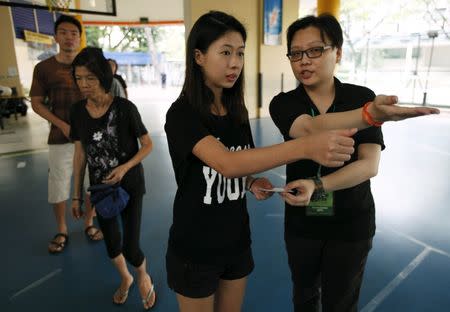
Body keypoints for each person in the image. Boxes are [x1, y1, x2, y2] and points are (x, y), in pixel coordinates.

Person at [164, 11, 366, 312]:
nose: (235, 62)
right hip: (196, 248)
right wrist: (305, 147)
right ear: (199, 56)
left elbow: (242, 165)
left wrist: (252, 181)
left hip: (236, 241)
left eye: (240, 53)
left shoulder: (236, 112)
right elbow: (226, 163)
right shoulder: (182, 115)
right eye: (225, 52)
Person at [269, 14, 439, 312]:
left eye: (315, 50)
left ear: (338, 52)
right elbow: (309, 129)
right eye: (296, 53)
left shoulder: (361, 97)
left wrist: (318, 184)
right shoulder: (284, 103)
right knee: (304, 295)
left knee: (341, 302)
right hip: (302, 223)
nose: (304, 61)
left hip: (351, 223)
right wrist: (367, 116)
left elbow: (368, 165)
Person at [70, 47, 156, 309]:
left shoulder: (125, 109)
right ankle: (126, 278)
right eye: (78, 78)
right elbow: (80, 154)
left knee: (131, 247)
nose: (83, 84)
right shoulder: (77, 112)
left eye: (90, 78)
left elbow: (148, 145)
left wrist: (125, 167)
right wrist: (76, 195)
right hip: (101, 189)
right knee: (111, 245)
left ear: (103, 77)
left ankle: (142, 275)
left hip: (130, 185)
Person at [30, 14, 103, 254]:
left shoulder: (89, 67)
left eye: (74, 33)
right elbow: (37, 103)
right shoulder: (44, 68)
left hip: (92, 138)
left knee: (92, 183)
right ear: (56, 36)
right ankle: (61, 228)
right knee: (59, 184)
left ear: (80, 37)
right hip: (61, 139)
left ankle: (89, 223)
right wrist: (61, 124)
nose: (69, 37)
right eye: (64, 32)